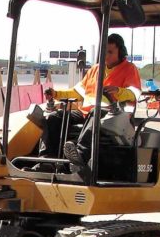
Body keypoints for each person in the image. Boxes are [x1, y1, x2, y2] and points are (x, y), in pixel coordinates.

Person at [38, 34, 141, 169]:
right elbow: (78, 92)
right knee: (53, 117)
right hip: (87, 114)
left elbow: (135, 93)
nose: (106, 55)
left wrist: (118, 91)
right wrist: (56, 94)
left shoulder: (129, 69)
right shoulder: (95, 69)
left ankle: (80, 154)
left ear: (121, 52)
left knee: (95, 112)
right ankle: (46, 160)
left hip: (115, 116)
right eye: (104, 52)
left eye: (110, 52)